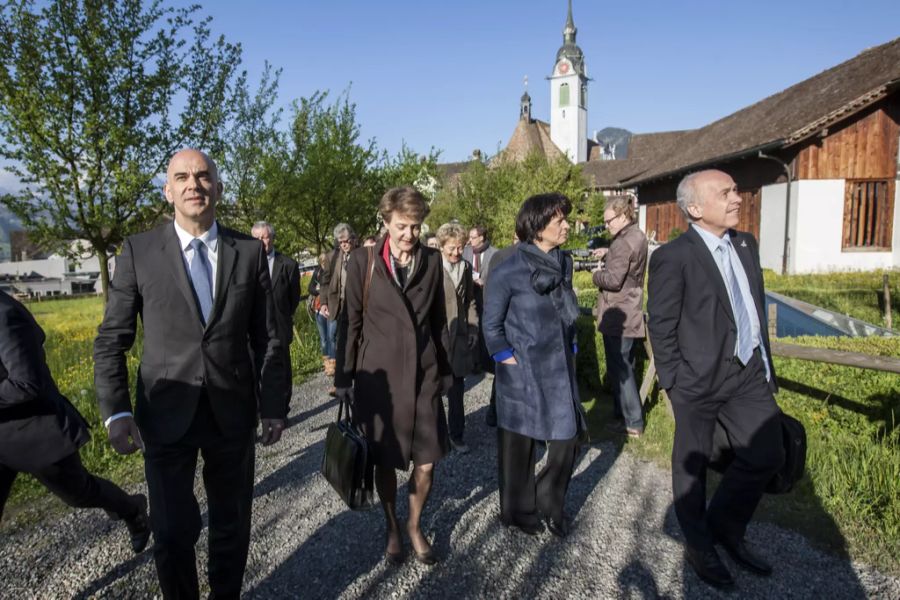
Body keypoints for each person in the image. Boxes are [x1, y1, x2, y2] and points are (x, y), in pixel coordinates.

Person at [93, 148, 288, 599]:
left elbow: (270, 338)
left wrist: (274, 404)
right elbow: (112, 339)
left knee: (231, 526)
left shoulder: (248, 252)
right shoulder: (139, 252)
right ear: (168, 191)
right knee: (172, 531)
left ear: (217, 188)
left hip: (231, 413)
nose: (193, 185)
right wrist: (116, 411)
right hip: (165, 414)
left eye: (203, 176)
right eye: (181, 177)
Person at [647, 169, 784, 589]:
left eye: (735, 190)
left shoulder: (745, 244)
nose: (737, 197)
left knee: (767, 452)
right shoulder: (674, 256)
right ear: (694, 208)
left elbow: (750, 307)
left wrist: (763, 363)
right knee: (692, 465)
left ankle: (725, 524)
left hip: (747, 375)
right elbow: (662, 324)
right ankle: (699, 543)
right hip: (698, 383)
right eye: (724, 192)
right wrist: (676, 383)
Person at [335, 186, 451, 566]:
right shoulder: (363, 262)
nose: (409, 235)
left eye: (416, 227)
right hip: (379, 381)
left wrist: (446, 371)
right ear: (385, 222)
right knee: (384, 460)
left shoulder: (432, 261)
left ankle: (415, 524)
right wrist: (344, 379)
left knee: (427, 461)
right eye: (402, 226)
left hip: (424, 377)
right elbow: (349, 325)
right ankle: (391, 525)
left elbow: (437, 323)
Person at [0, 289, 150, 553]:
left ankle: (131, 509)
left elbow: (26, 383)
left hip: (35, 433)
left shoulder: (6, 314)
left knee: (80, 493)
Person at [482, 193, 584, 539]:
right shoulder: (507, 268)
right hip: (521, 369)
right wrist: (506, 358)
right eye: (560, 221)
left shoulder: (564, 263)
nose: (567, 225)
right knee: (518, 447)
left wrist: (571, 345)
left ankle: (550, 503)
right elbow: (491, 325)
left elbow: (567, 313)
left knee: (567, 443)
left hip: (559, 369)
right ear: (538, 227)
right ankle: (518, 511)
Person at [592, 196, 648, 437]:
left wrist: (596, 274)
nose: (607, 226)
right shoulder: (636, 235)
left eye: (609, 221)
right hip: (632, 307)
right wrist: (609, 251)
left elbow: (614, 280)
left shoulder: (622, 243)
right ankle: (623, 417)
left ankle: (633, 422)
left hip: (618, 311)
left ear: (623, 215)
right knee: (626, 365)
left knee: (620, 369)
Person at [435, 222, 479, 453]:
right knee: (434, 389)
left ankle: (457, 434)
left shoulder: (466, 267)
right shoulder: (432, 268)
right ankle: (435, 435)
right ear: (441, 247)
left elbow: (470, 300)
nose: (456, 252)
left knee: (457, 389)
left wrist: (473, 328)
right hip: (438, 338)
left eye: (460, 247)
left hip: (460, 337)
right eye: (451, 248)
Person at [251, 221, 301, 409]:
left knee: (282, 369)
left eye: (265, 237)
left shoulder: (288, 264)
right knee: (255, 369)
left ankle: (282, 407)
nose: (262, 242)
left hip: (279, 324)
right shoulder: (246, 263)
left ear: (272, 238)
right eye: (257, 238)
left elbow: (293, 298)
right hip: (253, 327)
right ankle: (258, 409)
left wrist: (282, 315)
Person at [482, 236, 519, 428]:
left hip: (511, 327)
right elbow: (490, 292)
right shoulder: (503, 257)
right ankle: (496, 412)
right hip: (506, 326)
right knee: (504, 372)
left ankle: (495, 413)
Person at [320, 223, 358, 384]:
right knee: (334, 335)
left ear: (353, 239)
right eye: (341, 242)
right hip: (338, 303)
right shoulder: (332, 257)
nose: (344, 245)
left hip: (357, 303)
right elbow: (325, 281)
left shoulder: (361, 254)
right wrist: (323, 303)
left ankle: (356, 368)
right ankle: (339, 372)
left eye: (347, 241)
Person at [308, 253, 334, 375]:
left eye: (326, 261)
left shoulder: (333, 271)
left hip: (331, 308)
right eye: (322, 261)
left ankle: (333, 363)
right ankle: (327, 363)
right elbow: (310, 288)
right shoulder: (317, 272)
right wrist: (320, 291)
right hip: (319, 308)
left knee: (331, 336)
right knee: (324, 338)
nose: (324, 263)